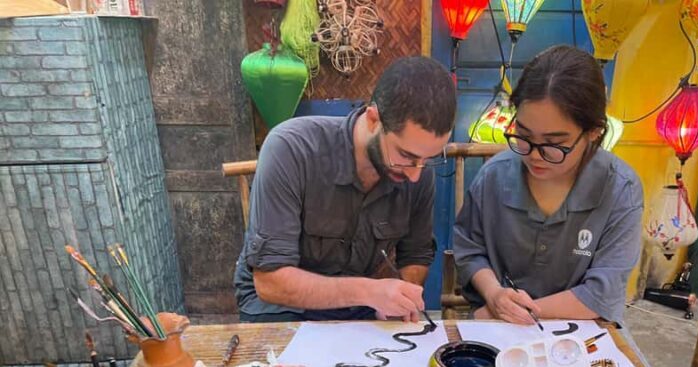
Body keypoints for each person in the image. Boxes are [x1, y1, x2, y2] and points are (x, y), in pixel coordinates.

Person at [234, 56, 456, 323]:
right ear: (373, 119)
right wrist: (369, 291)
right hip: (278, 309)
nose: (415, 173)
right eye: (406, 156)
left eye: (428, 159)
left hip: (359, 308)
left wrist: (401, 299)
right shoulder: (291, 149)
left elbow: (416, 255)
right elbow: (270, 283)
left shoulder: (418, 171)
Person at [453, 45, 643, 325]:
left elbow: (603, 291)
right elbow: (470, 251)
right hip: (496, 328)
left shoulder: (620, 190)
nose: (533, 154)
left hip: (580, 330)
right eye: (524, 135)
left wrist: (510, 312)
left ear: (593, 132)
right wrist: (494, 294)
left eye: (554, 144)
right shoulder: (494, 177)